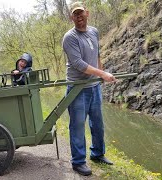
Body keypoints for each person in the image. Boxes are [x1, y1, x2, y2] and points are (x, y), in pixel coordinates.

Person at [62, 1, 117, 176]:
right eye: (75, 14)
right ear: (72, 17)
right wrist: (102, 73)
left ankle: (98, 154)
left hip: (94, 87)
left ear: (87, 13)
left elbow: (97, 54)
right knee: (77, 126)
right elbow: (78, 64)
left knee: (98, 124)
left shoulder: (94, 32)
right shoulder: (70, 37)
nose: (79, 17)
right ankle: (78, 162)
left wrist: (100, 77)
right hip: (78, 88)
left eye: (81, 13)